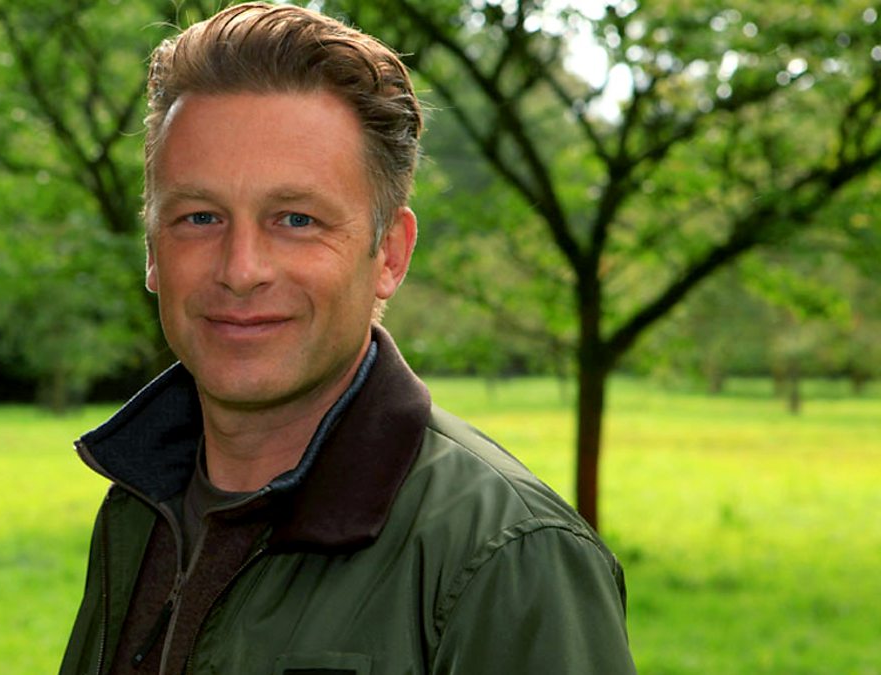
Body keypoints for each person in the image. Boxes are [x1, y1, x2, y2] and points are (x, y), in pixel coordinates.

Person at [59, 3, 636, 673]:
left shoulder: (508, 557)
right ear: (152, 251)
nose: (241, 270)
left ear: (390, 254)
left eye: (296, 219)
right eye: (200, 217)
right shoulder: (138, 512)